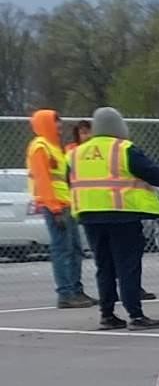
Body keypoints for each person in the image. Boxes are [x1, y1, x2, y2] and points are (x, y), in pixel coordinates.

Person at [65, 107, 159, 331]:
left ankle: (107, 316)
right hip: (121, 215)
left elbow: (71, 183)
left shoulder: (75, 154)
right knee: (128, 266)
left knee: (104, 267)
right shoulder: (123, 149)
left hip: (89, 216)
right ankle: (136, 315)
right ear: (118, 126)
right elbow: (157, 175)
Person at [23, 108, 91, 309]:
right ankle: (66, 293)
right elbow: (43, 180)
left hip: (66, 204)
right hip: (56, 207)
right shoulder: (40, 147)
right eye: (55, 122)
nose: (59, 126)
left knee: (75, 250)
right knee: (63, 250)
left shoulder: (55, 147)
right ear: (46, 125)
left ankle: (76, 291)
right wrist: (54, 208)